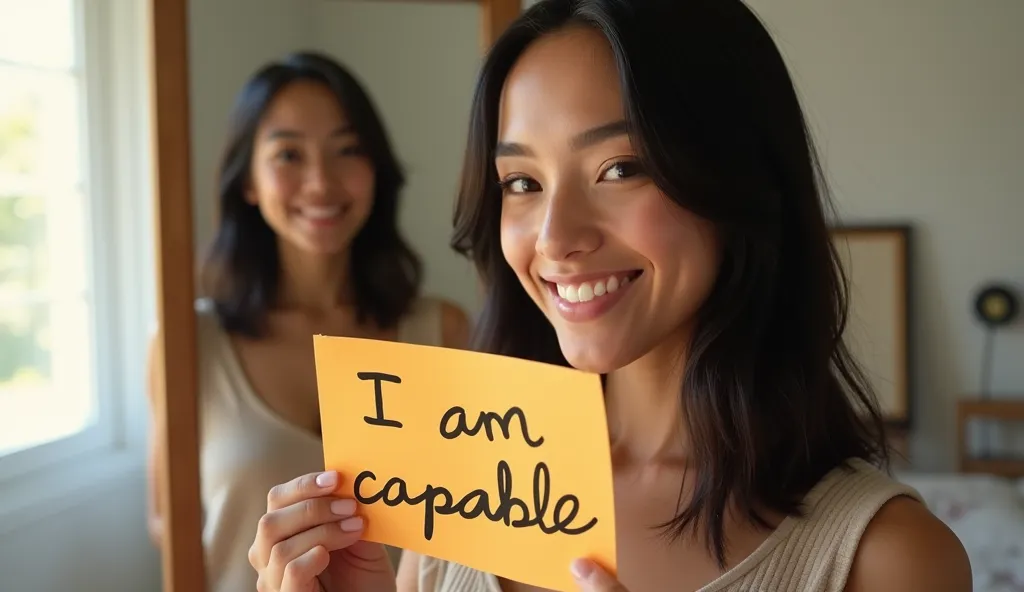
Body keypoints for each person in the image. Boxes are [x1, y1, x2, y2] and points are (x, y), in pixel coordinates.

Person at [246, 2, 973, 591]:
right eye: (522, 184)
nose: (556, 237)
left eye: (621, 168)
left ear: (740, 183)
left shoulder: (889, 561)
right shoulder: (452, 491)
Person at [144, 51, 471, 592]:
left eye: (347, 150)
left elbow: (473, 533)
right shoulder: (186, 346)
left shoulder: (444, 333)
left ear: (376, 171)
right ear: (247, 180)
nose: (320, 182)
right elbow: (167, 525)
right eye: (289, 154)